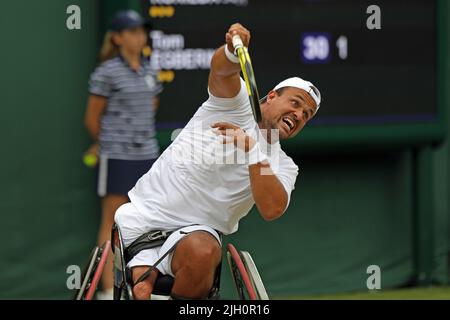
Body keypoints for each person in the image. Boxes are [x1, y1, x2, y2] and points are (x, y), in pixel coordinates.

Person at [114, 23, 321, 300]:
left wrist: (253, 152)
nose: (299, 114)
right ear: (271, 96)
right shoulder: (235, 104)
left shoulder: (284, 166)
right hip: (142, 220)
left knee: (204, 251)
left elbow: (272, 209)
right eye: (295, 103)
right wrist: (232, 52)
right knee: (140, 290)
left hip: (195, 238)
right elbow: (222, 70)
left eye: (306, 114)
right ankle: (144, 281)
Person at [83, 10, 163, 299]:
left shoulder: (150, 69)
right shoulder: (107, 72)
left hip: (149, 157)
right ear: (117, 38)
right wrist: (109, 143)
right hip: (117, 157)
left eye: (141, 31)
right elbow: (92, 119)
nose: (139, 36)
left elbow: (149, 108)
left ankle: (144, 288)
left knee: (148, 222)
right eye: (131, 31)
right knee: (112, 222)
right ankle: (107, 290)